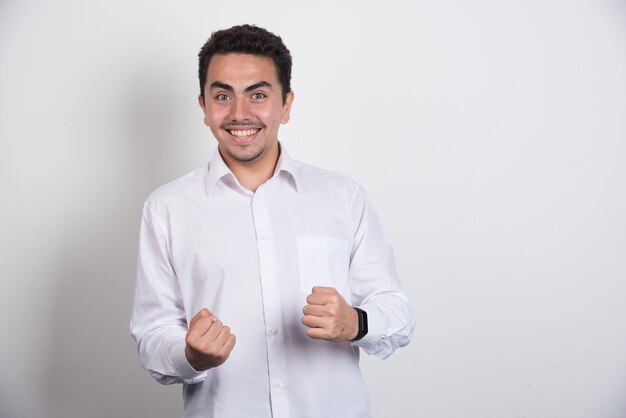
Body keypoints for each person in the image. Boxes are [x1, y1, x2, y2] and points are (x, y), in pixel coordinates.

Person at [130, 24, 415, 418]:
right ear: (203, 107)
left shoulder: (342, 197)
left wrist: (356, 322)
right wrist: (188, 354)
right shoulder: (167, 209)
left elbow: (397, 312)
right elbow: (152, 332)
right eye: (223, 95)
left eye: (258, 95)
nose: (239, 113)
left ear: (287, 104)